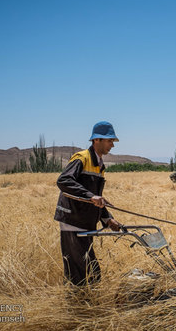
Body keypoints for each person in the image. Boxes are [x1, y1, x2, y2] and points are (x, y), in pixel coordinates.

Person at [54, 121, 124, 287]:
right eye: (110, 141)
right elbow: (63, 181)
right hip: (73, 221)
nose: (112, 145)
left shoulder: (99, 165)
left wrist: (108, 219)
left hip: (85, 223)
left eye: (113, 141)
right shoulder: (82, 158)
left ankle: (83, 307)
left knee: (91, 273)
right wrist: (90, 196)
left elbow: (96, 198)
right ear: (97, 140)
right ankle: (76, 309)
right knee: (79, 275)